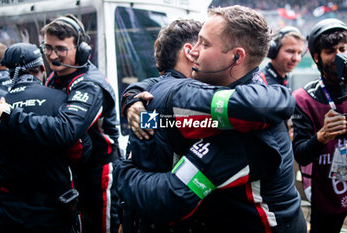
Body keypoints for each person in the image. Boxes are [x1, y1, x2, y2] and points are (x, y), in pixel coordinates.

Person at [114, 6, 306, 233]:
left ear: (236, 56)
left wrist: (122, 170)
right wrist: (133, 99)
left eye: (204, 44)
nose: (194, 51)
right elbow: (162, 118)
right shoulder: (224, 97)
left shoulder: (244, 126)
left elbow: (171, 196)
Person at [0, 15, 120, 233]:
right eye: (48, 48)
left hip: (98, 175)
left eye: (60, 49)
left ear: (81, 50)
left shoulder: (90, 85)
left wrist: (9, 114)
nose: (52, 56)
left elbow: (64, 131)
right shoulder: (55, 77)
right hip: (72, 174)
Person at [0, 42, 83, 233]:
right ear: (42, 68)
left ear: (10, 73)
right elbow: (79, 151)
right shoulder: (59, 99)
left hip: (8, 213)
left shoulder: (0, 105)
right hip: (51, 213)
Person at [292, 18, 347, 233]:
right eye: (330, 51)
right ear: (316, 57)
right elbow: (301, 154)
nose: (339, 56)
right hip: (326, 190)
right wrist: (322, 135)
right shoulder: (304, 98)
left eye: (343, 49)